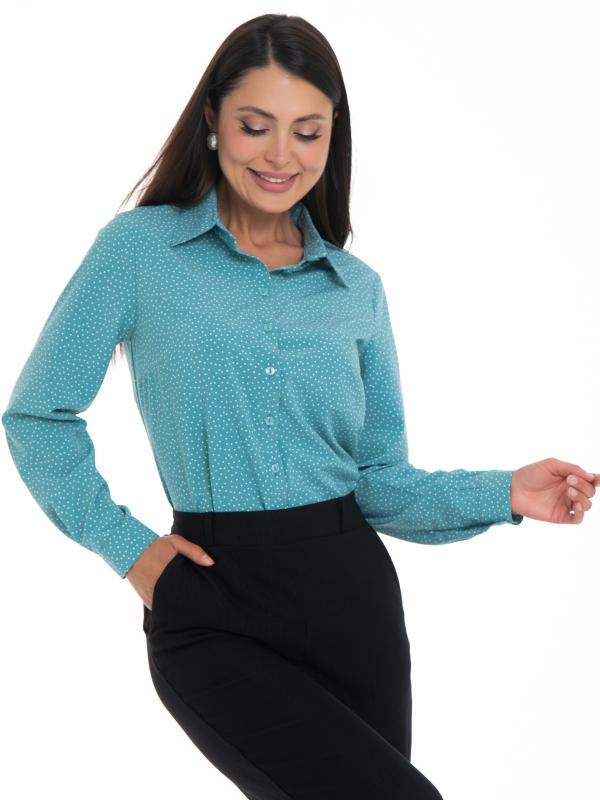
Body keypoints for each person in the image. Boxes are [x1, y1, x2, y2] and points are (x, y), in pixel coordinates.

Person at [2, 12, 597, 800]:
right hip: (209, 602)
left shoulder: (356, 289)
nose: (281, 155)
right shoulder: (139, 252)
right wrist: (130, 549)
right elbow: (37, 415)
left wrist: (505, 492)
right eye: (256, 125)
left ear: (331, 137)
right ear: (212, 119)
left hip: (352, 604)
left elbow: (375, 480)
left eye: (307, 132)